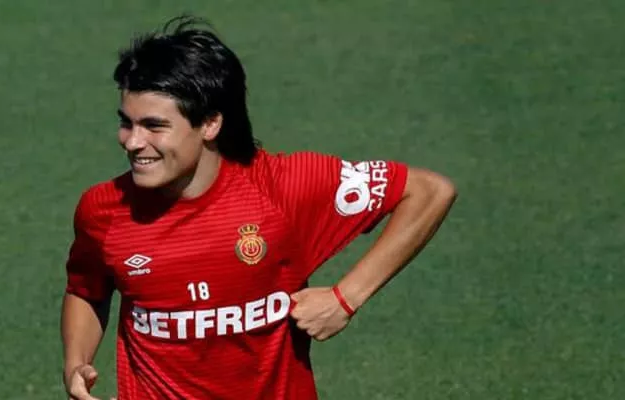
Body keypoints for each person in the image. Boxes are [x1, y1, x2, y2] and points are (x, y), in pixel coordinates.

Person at [61, 16, 457, 400]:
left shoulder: (283, 188)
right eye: (127, 123)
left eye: (154, 126)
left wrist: (346, 297)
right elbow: (87, 290)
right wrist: (77, 363)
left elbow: (427, 192)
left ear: (210, 124)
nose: (132, 142)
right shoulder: (104, 210)